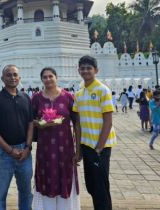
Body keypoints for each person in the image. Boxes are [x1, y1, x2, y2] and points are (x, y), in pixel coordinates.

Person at [0, 65, 33, 210]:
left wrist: (28, 147)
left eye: (15, 75)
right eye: (9, 75)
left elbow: (30, 123)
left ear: (19, 78)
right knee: (0, 193)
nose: (12, 77)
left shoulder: (25, 98)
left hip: (24, 152)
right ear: (2, 79)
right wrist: (9, 150)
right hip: (2, 154)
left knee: (26, 192)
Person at [32, 67, 81, 210]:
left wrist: (79, 150)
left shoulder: (67, 97)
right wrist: (39, 124)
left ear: (56, 77)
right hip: (45, 149)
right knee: (46, 176)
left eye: (50, 76)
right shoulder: (36, 98)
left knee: (65, 176)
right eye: (45, 77)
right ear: (41, 80)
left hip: (65, 147)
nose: (48, 79)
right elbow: (30, 121)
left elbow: (77, 123)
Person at [73, 55, 116, 210]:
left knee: (100, 187)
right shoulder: (79, 93)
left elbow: (108, 121)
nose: (85, 71)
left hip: (101, 147)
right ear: (79, 71)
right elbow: (77, 124)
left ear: (96, 70)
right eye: (82, 68)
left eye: (88, 68)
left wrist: (99, 148)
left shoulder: (103, 90)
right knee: (91, 185)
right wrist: (78, 150)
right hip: (86, 145)